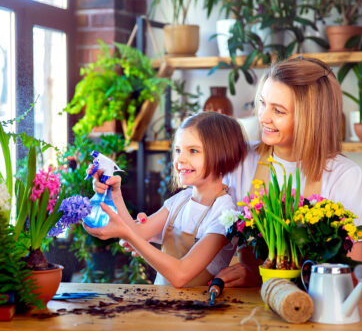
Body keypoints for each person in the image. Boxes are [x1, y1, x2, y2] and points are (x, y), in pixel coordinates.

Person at [216, 56, 362, 287]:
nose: (263, 117)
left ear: (311, 118)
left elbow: (350, 275)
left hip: (316, 305)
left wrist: (264, 279)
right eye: (262, 103)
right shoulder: (241, 161)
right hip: (248, 305)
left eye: (278, 111)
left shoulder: (345, 175)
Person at [84, 111, 248, 288]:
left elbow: (180, 275)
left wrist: (128, 234)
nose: (180, 159)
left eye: (193, 151)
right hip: (163, 303)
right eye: (178, 150)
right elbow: (137, 234)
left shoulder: (224, 213)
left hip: (198, 312)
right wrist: (115, 194)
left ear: (222, 156)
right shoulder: (181, 200)